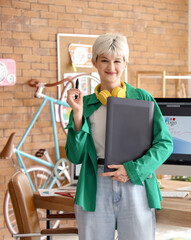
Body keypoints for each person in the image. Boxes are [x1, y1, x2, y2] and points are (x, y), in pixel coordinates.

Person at [65, 33, 173, 240]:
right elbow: (75, 156)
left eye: (117, 60)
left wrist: (133, 170)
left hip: (136, 182)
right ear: (94, 61)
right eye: (104, 60)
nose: (111, 67)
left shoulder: (142, 98)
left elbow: (165, 143)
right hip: (96, 183)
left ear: (125, 63)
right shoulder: (84, 104)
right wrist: (77, 114)